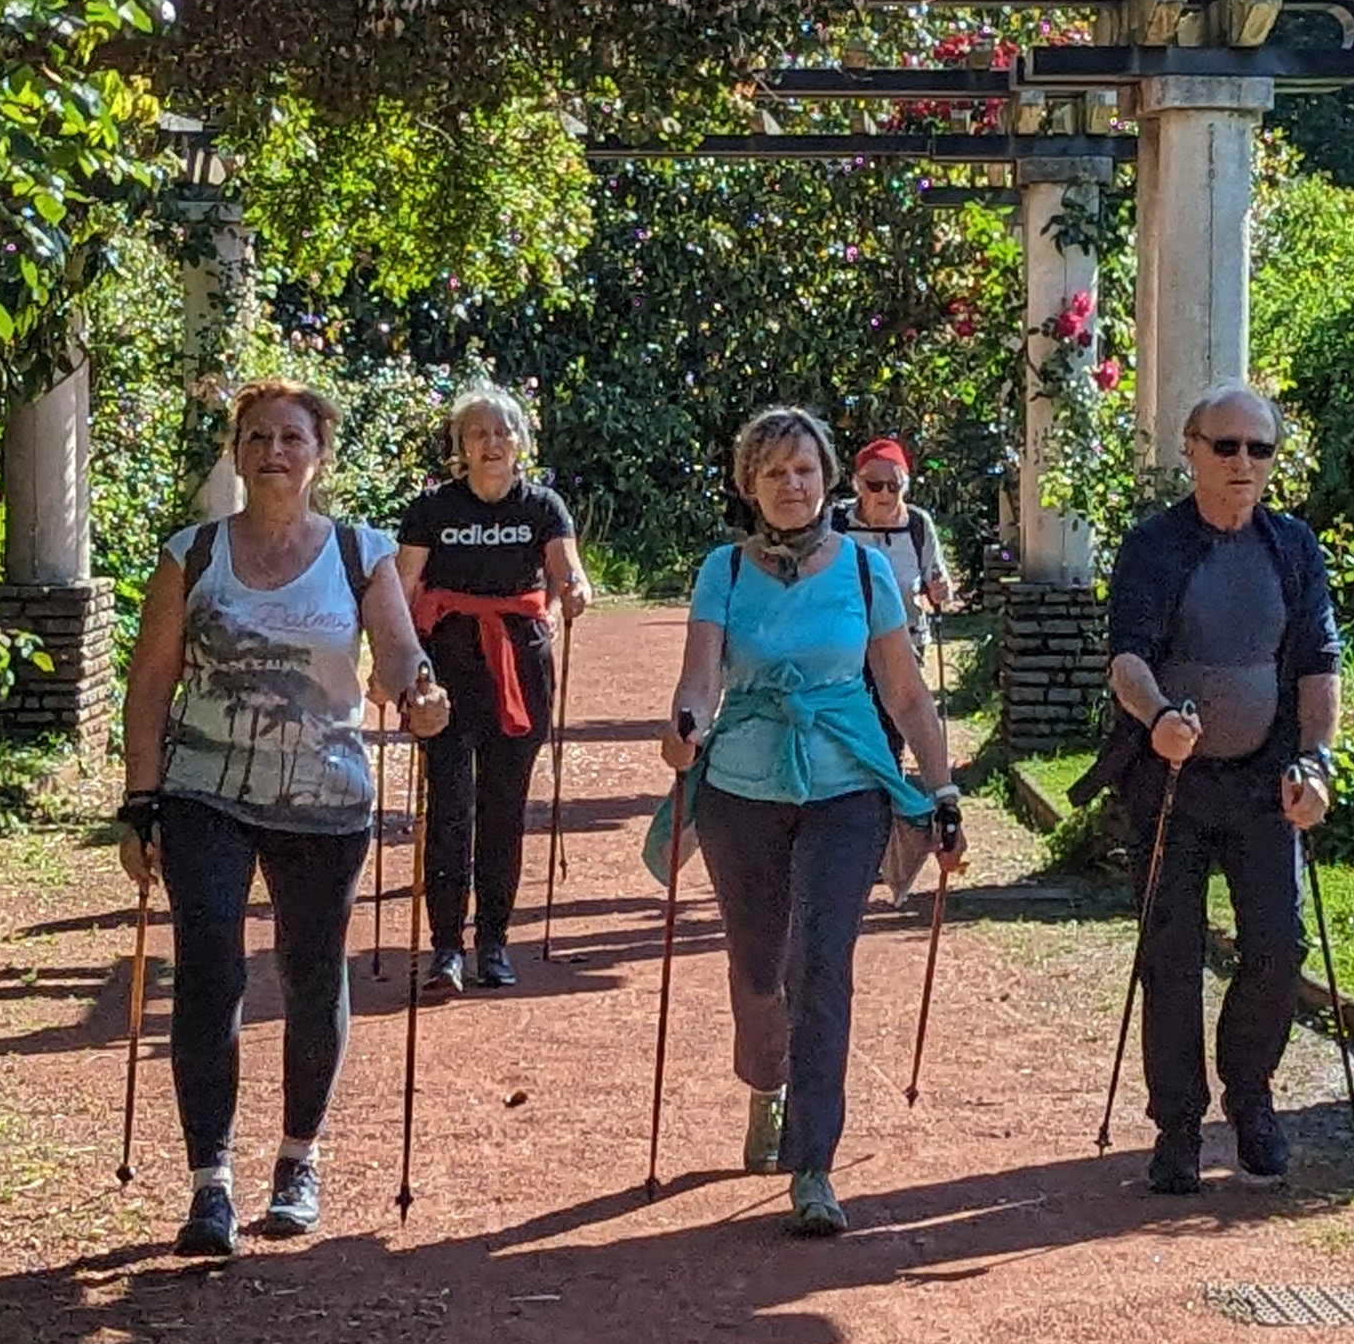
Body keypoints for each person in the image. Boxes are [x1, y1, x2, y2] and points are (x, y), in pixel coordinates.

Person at [115, 378, 449, 1261]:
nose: (273, 452)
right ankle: (210, 1182)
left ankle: (299, 1161)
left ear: (319, 455)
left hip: (324, 796)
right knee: (209, 971)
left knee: (310, 973)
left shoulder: (361, 553)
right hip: (203, 790)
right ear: (236, 453)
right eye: (257, 437)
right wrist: (139, 800)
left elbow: (397, 653)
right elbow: (150, 686)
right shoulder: (192, 554)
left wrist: (419, 692)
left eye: (291, 438)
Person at [653, 406, 967, 1237]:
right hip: (743, 789)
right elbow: (700, 681)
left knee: (822, 964)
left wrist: (942, 792)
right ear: (749, 485)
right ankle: (768, 1084)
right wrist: (684, 728)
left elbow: (905, 693)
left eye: (804, 470)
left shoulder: (866, 571)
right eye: (774, 472)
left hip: (846, 786)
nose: (792, 485)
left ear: (828, 479)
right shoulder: (723, 570)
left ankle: (814, 1162)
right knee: (760, 967)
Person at [1084, 383, 1340, 1194]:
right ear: (1191, 451)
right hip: (1171, 784)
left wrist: (1318, 763)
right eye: (1225, 446)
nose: (1242, 463)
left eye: (1258, 449)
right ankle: (1178, 1125)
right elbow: (1128, 657)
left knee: (1278, 946)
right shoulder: (1154, 546)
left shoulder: (1292, 547)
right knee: (1170, 956)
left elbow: (1318, 664)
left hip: (1265, 783)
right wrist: (1158, 716)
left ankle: (1251, 1095)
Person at [394, 384, 593, 994]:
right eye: (478, 433)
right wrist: (394, 665)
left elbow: (567, 570)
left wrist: (575, 592)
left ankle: (494, 943)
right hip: (446, 674)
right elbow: (402, 588)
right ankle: (446, 948)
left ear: (520, 442)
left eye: (503, 432)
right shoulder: (432, 509)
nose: (491, 443)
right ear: (460, 445)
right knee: (450, 805)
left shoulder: (543, 506)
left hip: (519, 671)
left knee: (504, 807)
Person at [832, 435, 957, 689]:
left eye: (894, 485)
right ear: (858, 485)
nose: (885, 493)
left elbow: (940, 586)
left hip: (906, 645)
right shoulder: (836, 523)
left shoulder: (917, 524)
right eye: (875, 485)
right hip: (846, 649)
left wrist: (941, 591)